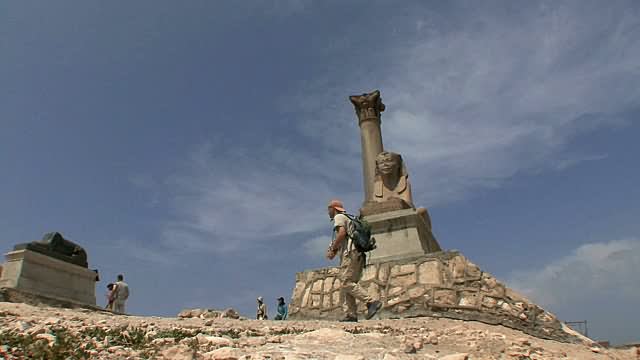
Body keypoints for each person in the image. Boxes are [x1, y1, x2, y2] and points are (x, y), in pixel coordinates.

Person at [326, 199, 382, 322]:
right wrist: (335, 249)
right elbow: (345, 236)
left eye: (329, 208)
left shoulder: (339, 217)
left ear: (333, 209)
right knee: (348, 283)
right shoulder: (348, 218)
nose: (328, 211)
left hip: (351, 254)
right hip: (358, 254)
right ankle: (351, 314)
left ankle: (371, 302)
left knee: (346, 282)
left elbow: (341, 234)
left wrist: (333, 249)